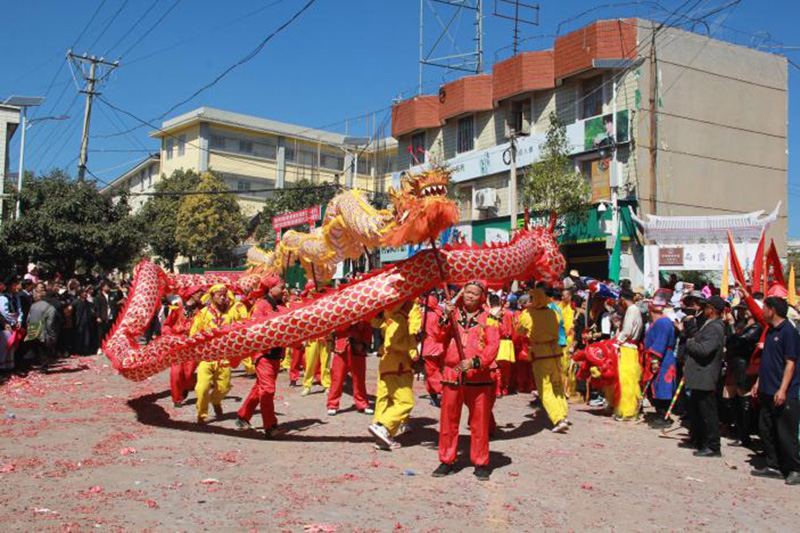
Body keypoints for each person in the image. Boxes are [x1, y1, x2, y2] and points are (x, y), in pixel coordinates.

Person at [431, 281, 500, 481]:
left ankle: (481, 462)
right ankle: (447, 460)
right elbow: (438, 336)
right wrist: (445, 316)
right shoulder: (453, 314)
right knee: (448, 421)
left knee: (479, 422)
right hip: (453, 374)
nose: (470, 296)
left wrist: (476, 362)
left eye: (475, 294)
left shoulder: (491, 318)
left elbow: (492, 346)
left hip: (479, 378)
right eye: (467, 292)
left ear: (482, 297)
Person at [750, 297, 800, 484]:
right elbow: (768, 361)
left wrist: (783, 389)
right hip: (766, 389)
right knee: (766, 429)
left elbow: (790, 363)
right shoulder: (770, 331)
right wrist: (758, 382)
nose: (762, 311)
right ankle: (774, 465)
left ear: (772, 310)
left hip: (784, 392)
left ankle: (795, 468)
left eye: (764, 308)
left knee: (786, 433)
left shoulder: (789, 332)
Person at [237, 277, 288, 438]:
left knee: (260, 388)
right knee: (268, 390)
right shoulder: (261, 306)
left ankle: (243, 416)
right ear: (271, 289)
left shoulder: (281, 306)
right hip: (263, 354)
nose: (284, 290)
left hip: (276, 354)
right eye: (282, 287)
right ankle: (270, 426)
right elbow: (255, 329)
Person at [677, 295, 727, 458]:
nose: (702, 310)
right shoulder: (708, 324)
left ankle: (713, 446)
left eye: (706, 307)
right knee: (697, 410)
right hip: (698, 375)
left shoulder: (715, 327)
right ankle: (699, 440)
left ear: (712, 310)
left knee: (708, 412)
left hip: (705, 375)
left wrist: (690, 341)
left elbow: (704, 350)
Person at [518, 288, 569, 433]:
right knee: (557, 385)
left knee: (545, 389)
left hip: (540, 353)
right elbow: (561, 324)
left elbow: (520, 331)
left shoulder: (528, 314)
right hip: (555, 352)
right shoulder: (553, 312)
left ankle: (558, 419)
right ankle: (563, 415)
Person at [368, 300, 417, 451]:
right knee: (405, 402)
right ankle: (384, 427)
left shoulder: (390, 315)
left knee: (385, 399)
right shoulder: (400, 317)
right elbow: (394, 343)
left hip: (388, 364)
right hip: (398, 365)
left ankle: (382, 433)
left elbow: (378, 324)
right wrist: (412, 346)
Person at [191, 285, 239, 424]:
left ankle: (215, 401)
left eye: (225, 295)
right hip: (206, 356)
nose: (223, 297)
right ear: (212, 296)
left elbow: (238, 331)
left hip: (224, 357)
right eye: (219, 294)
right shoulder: (203, 313)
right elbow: (193, 333)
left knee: (224, 387)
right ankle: (202, 414)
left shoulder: (231, 313)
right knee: (202, 387)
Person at [723, 303, 762, 447]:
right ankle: (738, 430)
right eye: (740, 309)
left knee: (743, 399)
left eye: (745, 308)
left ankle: (744, 435)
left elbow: (739, 341)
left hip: (744, 365)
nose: (742, 311)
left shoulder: (756, 327)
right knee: (731, 397)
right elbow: (730, 340)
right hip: (734, 363)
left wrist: (732, 325)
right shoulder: (742, 324)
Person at [162, 285, 204, 407]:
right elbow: (167, 325)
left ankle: (185, 387)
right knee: (176, 372)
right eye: (199, 293)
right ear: (192, 294)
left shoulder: (203, 310)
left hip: (193, 345)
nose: (201, 296)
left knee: (189, 374)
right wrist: (170, 336)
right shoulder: (177, 309)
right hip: (178, 344)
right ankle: (177, 398)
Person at [327, 321, 374, 416]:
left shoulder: (364, 317)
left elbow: (368, 331)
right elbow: (332, 331)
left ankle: (362, 404)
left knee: (359, 379)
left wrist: (364, 344)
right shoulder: (340, 316)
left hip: (358, 350)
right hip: (341, 350)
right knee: (337, 379)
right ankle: (332, 404)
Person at [643, 299, 677, 427]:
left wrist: (655, 360)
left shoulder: (663, 322)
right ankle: (659, 413)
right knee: (656, 386)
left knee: (663, 387)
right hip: (658, 357)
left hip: (663, 359)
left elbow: (660, 341)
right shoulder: (658, 322)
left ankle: (664, 416)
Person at [614, 289, 643, 421]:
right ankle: (631, 409)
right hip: (631, 347)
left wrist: (617, 342)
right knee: (630, 380)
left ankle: (628, 411)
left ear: (622, 299)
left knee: (626, 381)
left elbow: (627, 330)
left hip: (628, 347)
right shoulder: (634, 310)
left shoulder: (632, 310)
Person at [419, 294, 445, 406]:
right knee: (436, 371)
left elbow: (417, 329)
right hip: (441, 346)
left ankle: (443, 391)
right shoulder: (441, 314)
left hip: (430, 347)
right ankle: (433, 396)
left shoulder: (424, 315)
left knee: (432, 373)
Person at [24, 287, 58, 370]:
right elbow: (50, 322)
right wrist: (51, 333)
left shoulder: (32, 306)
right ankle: (44, 367)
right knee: (44, 349)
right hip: (43, 330)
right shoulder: (50, 308)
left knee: (33, 347)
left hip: (33, 329)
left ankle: (27, 365)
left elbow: (28, 319)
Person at [95, 281, 116, 352]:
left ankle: (108, 347)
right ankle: (99, 347)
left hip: (111, 317)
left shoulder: (112, 295)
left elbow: (114, 305)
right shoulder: (98, 297)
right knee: (100, 334)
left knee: (110, 333)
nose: (108, 288)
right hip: (102, 317)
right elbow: (97, 308)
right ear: (102, 287)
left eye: (108, 286)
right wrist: (98, 316)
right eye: (106, 286)